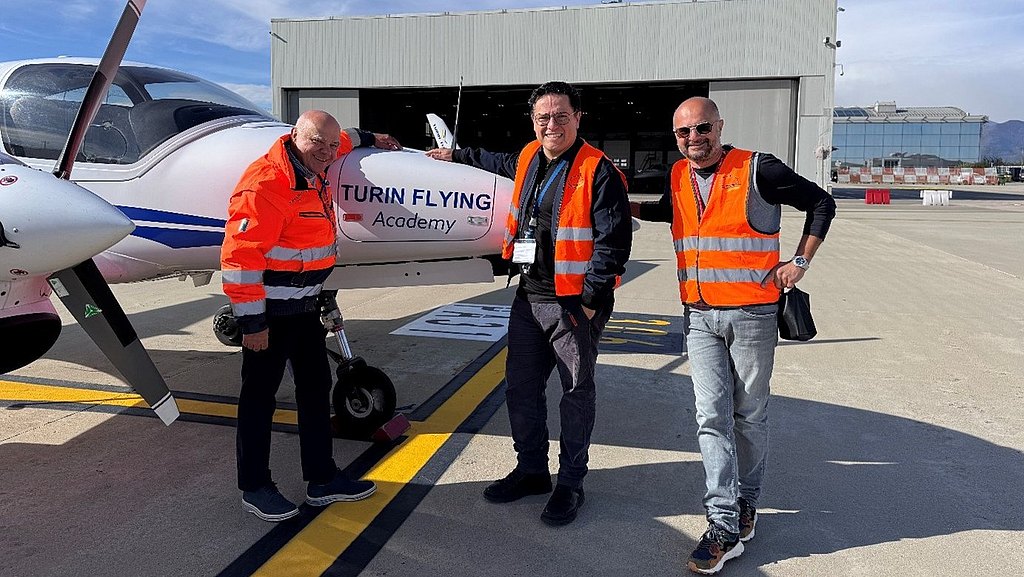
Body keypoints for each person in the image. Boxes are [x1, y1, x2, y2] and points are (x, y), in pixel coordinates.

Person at [631, 97, 836, 574]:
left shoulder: (758, 169)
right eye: (683, 133)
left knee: (748, 416)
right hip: (698, 314)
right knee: (710, 417)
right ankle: (723, 523)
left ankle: (747, 501)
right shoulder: (679, 175)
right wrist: (623, 202)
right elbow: (670, 211)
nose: (693, 139)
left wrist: (799, 262)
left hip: (752, 315)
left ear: (719, 126)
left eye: (702, 128)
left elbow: (821, 203)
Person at [426, 81, 632, 526]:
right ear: (533, 120)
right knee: (520, 388)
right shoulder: (528, 156)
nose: (551, 124)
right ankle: (532, 470)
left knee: (575, 394)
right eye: (543, 117)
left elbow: (613, 245)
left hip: (573, 305)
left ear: (579, 118)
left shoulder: (598, 171)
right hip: (529, 296)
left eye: (561, 116)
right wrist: (457, 155)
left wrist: (591, 302)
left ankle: (571, 483)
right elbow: (494, 161)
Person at [221, 110, 401, 522]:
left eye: (332, 146)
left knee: (316, 391)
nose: (326, 152)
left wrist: (372, 134)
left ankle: (322, 480)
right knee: (259, 400)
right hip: (270, 312)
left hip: (304, 308)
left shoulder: (315, 161)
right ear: (293, 137)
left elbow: (341, 139)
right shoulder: (267, 182)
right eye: (317, 142)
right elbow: (240, 257)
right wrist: (252, 322)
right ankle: (254, 486)